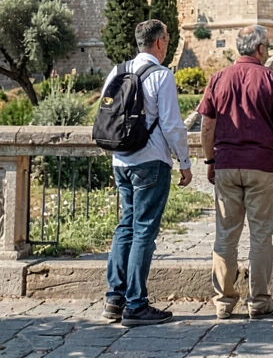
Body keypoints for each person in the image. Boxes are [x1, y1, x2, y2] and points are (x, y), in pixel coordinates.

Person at [198, 24, 273, 319]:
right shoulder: (271, 79)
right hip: (262, 165)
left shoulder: (218, 79)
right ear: (260, 49)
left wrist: (210, 161)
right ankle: (259, 300)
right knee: (261, 234)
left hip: (226, 164)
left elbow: (206, 126)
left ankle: (224, 301)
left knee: (225, 234)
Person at [103, 19, 193, 327]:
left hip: (121, 161)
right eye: (166, 39)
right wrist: (184, 161)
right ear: (158, 43)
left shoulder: (116, 71)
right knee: (143, 230)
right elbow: (171, 125)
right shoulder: (162, 75)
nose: (167, 43)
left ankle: (114, 298)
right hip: (150, 161)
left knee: (126, 225)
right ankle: (137, 304)